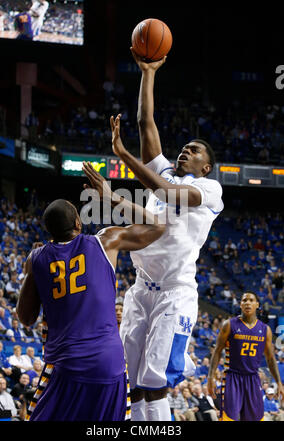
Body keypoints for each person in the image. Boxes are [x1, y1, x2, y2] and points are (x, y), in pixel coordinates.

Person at [109, 48, 224, 420]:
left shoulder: (210, 190)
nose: (184, 152)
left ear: (205, 166)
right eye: (183, 148)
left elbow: (163, 192)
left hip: (175, 294)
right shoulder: (167, 173)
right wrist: (148, 72)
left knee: (156, 381)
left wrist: (125, 157)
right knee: (135, 383)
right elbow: (146, 124)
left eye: (192, 151)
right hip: (142, 290)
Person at [16, 167, 165, 421]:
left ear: (49, 231)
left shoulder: (38, 259)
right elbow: (157, 226)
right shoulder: (105, 240)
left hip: (67, 366)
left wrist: (32, 270)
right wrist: (110, 196)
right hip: (111, 364)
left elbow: (26, 318)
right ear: (78, 222)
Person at [208, 291, 284, 421]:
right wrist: (210, 376)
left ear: (257, 305)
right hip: (232, 377)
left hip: (253, 379)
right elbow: (217, 352)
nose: (247, 303)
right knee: (228, 418)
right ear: (240, 304)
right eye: (244, 300)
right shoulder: (229, 325)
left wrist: (278, 382)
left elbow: (271, 359)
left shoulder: (265, 330)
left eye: (251, 300)